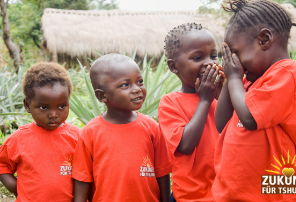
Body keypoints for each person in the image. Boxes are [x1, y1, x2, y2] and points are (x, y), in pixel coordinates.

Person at [213, 0, 296, 201]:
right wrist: (231, 78)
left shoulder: (287, 72)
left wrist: (235, 78)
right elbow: (221, 124)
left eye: (235, 54)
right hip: (235, 193)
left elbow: (250, 118)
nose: (234, 64)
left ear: (264, 39)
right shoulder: (246, 82)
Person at [72, 53, 172, 202]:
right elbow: (82, 180)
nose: (137, 89)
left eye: (139, 81)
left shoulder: (151, 127)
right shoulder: (90, 132)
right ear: (101, 96)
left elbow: (162, 174)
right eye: (125, 85)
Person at [158, 23, 223, 202]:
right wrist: (205, 100)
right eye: (197, 57)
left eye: (214, 55)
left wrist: (224, 96)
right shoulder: (170, 103)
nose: (209, 63)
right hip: (190, 196)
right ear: (173, 67)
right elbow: (185, 146)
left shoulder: (225, 95)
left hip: (225, 193)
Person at [0, 62, 80, 201]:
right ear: (27, 105)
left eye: (61, 106)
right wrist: (18, 190)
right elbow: (2, 165)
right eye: (44, 107)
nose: (54, 114)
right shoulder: (19, 139)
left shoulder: (78, 137)